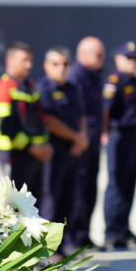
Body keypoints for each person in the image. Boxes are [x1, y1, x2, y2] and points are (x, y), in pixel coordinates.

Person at [36, 47, 87, 248]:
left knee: (70, 198)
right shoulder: (43, 88)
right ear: (46, 66)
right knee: (51, 200)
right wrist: (77, 137)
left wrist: (81, 139)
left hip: (73, 151)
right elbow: (49, 120)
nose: (62, 68)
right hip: (53, 153)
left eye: (66, 64)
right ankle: (47, 248)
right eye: (56, 64)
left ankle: (63, 244)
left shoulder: (73, 87)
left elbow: (81, 114)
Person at [0, 42, 52, 201]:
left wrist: (44, 145)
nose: (29, 65)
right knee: (15, 204)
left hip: (34, 155)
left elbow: (39, 119)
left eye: (30, 60)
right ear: (10, 61)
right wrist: (31, 147)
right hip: (14, 155)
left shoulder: (30, 86)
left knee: (33, 203)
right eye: (24, 60)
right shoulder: (5, 87)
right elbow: (6, 126)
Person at [101, 41, 136, 250]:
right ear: (118, 59)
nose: (133, 62)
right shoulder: (114, 81)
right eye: (128, 58)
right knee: (116, 182)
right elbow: (105, 110)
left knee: (129, 182)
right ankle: (112, 231)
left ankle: (124, 229)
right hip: (118, 136)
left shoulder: (134, 80)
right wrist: (105, 133)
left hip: (133, 137)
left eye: (135, 58)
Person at [66, 37, 106, 249]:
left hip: (93, 143)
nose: (102, 58)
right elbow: (78, 112)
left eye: (102, 54)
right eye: (97, 54)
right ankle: (73, 237)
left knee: (90, 188)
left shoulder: (95, 76)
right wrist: (80, 137)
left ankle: (84, 234)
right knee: (78, 191)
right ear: (82, 55)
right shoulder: (76, 76)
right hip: (81, 143)